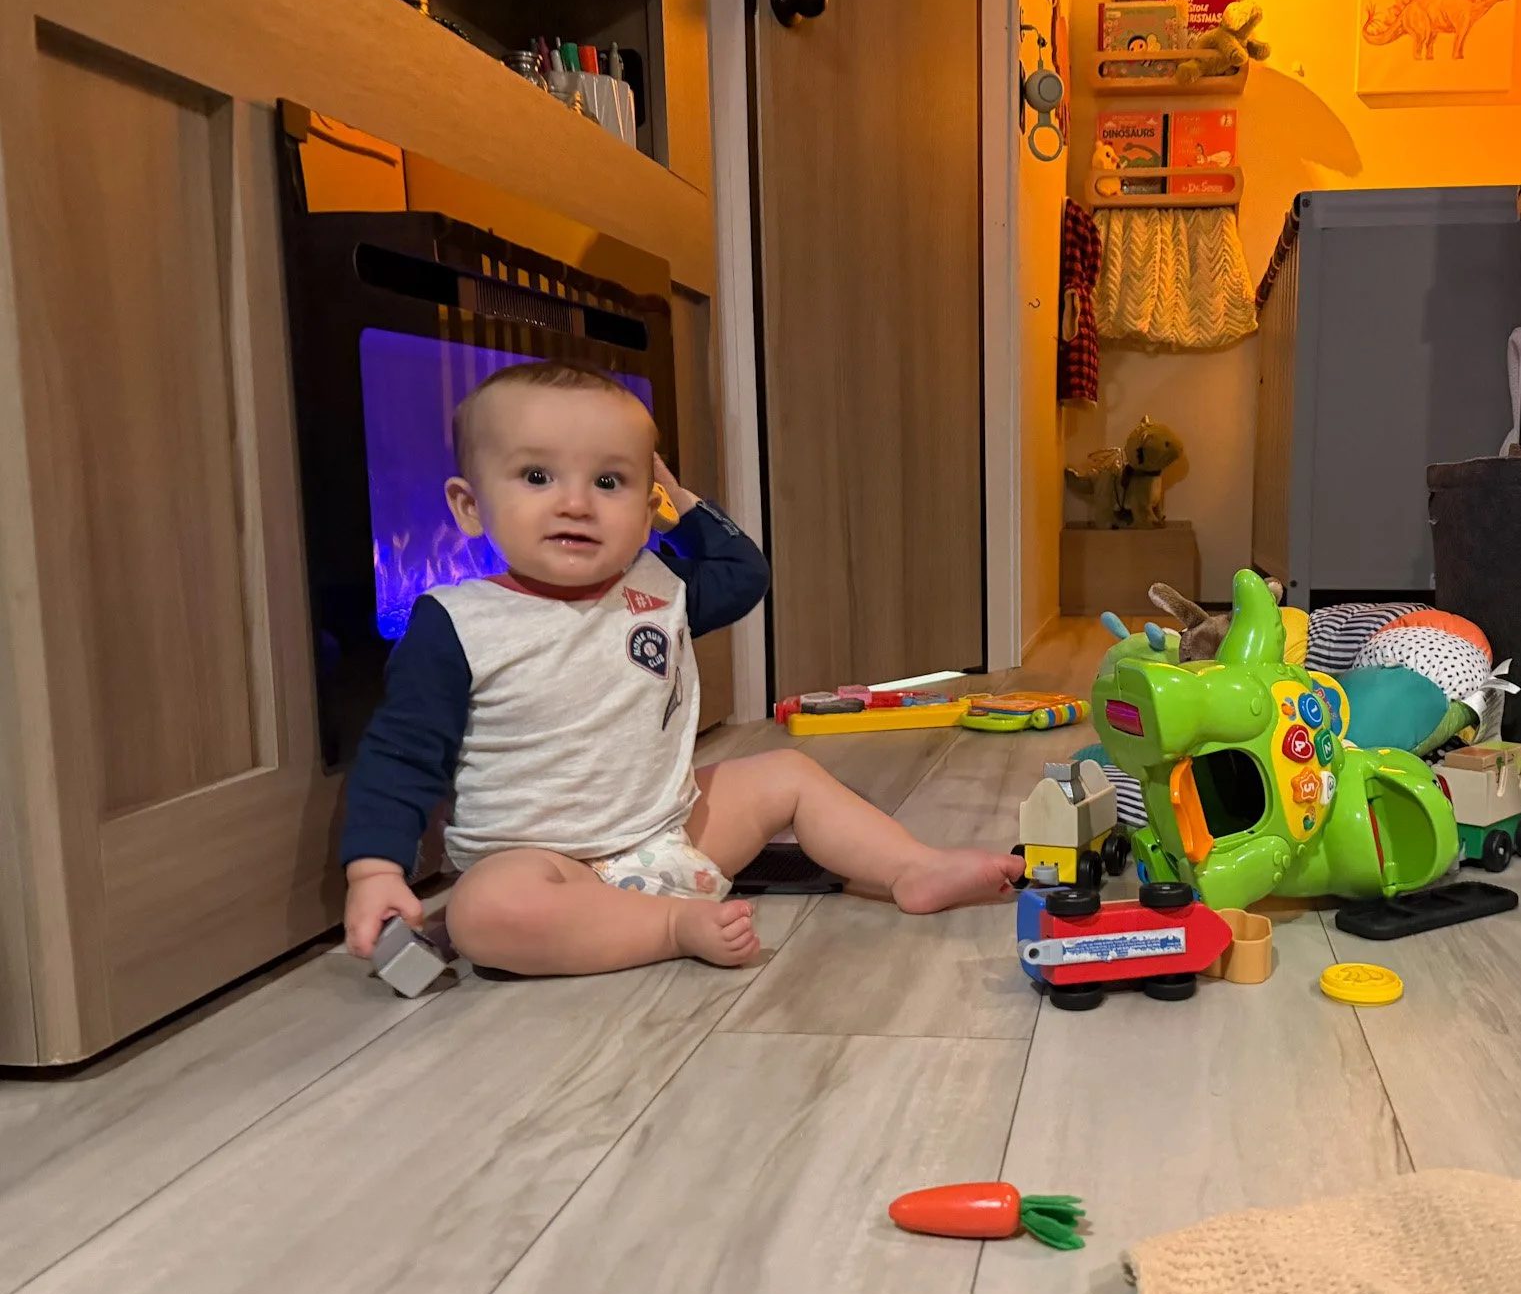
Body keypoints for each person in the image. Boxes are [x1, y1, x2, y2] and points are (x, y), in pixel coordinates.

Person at [340, 360, 1021, 975]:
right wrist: (375, 869)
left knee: (786, 774)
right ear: (468, 505)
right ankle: (669, 925)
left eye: (609, 481)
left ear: (646, 510)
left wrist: (677, 503)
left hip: (668, 833)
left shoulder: (656, 587)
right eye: (538, 477)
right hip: (542, 864)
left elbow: (743, 573)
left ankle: (913, 869)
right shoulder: (459, 622)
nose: (576, 502)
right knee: (483, 912)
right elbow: (401, 754)